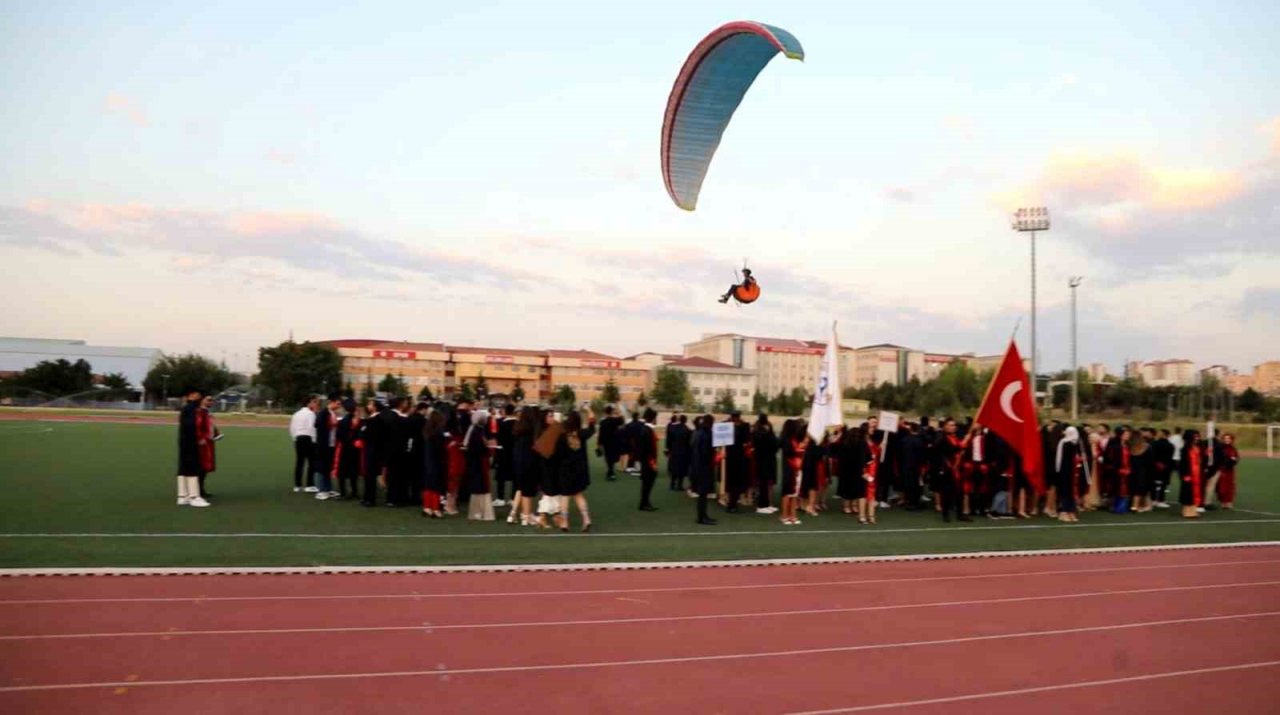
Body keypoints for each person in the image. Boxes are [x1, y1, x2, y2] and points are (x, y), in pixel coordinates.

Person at [555, 409, 597, 532]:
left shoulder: (562, 435)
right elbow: (592, 427)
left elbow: (557, 454)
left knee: (565, 496)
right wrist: (589, 411)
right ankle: (586, 518)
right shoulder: (582, 434)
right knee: (578, 494)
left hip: (565, 469)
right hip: (580, 469)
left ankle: (565, 522)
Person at [176, 388, 211, 507]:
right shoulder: (191, 409)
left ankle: (182, 496)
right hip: (191, 442)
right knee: (192, 467)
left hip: (184, 441)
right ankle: (194, 497)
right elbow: (191, 425)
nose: (199, 397)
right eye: (197, 394)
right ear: (191, 395)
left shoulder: (185, 408)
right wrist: (199, 438)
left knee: (183, 468)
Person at [463, 409, 494, 521]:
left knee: (478, 486)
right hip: (479, 463)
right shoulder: (478, 432)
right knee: (481, 486)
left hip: (476, 463)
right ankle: (481, 511)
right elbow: (480, 449)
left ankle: (477, 511)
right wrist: (488, 449)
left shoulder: (476, 431)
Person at [1054, 426, 1086, 523]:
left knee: (1072, 492)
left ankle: (1071, 511)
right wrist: (1079, 459)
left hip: (1073, 471)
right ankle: (1064, 511)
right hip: (1066, 471)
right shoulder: (1065, 443)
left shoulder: (1075, 444)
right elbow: (1066, 459)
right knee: (1066, 491)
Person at [333, 399, 363, 501]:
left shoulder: (344, 421)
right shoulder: (355, 421)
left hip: (347, 449)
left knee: (346, 472)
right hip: (351, 449)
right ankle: (351, 492)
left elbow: (339, 436)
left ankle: (345, 492)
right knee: (350, 472)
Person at [780, 420, 809, 525]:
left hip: (798, 469)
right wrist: (800, 447)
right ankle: (784, 515)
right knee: (787, 493)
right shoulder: (786, 440)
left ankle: (793, 515)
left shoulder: (797, 439)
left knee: (795, 493)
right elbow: (791, 453)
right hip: (789, 469)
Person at [690, 415, 717, 525]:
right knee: (703, 493)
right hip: (704, 467)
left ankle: (703, 515)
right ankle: (701, 517)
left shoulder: (698, 432)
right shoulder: (706, 434)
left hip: (697, 466)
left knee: (703, 493)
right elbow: (706, 452)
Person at [421, 408, 448, 518]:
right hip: (437, 462)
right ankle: (436, 508)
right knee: (436, 486)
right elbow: (441, 450)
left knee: (428, 485)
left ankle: (427, 507)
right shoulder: (439, 434)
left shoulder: (427, 432)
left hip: (428, 461)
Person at [288, 396, 318, 493]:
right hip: (308, 438)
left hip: (298, 439)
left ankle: (297, 485)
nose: (316, 404)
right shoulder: (311, 414)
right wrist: (314, 440)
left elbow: (292, 428)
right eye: (314, 402)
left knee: (299, 462)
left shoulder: (296, 414)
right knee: (312, 462)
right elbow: (311, 428)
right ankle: (310, 484)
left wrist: (294, 438)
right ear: (309, 403)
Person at [358, 399, 385, 507]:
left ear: (375, 407)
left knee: (370, 475)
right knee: (368, 475)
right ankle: (367, 497)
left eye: (370, 404)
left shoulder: (377, 420)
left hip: (374, 450)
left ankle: (370, 499)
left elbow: (368, 434)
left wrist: (363, 432)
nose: (367, 406)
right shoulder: (371, 419)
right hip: (369, 449)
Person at [751, 415, 779, 514]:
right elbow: (764, 443)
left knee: (766, 482)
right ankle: (761, 505)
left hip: (768, 459)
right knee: (763, 482)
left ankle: (766, 504)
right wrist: (767, 432)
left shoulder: (764, 431)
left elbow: (775, 443)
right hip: (762, 459)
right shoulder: (758, 432)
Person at [313, 396, 340, 500]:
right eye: (337, 403)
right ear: (331, 402)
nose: (339, 406)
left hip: (331, 445)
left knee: (328, 468)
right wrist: (331, 424)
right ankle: (321, 490)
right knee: (322, 468)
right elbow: (317, 424)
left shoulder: (332, 413)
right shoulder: (323, 413)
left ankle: (328, 489)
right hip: (323, 445)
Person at [723, 412, 749, 513]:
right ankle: (732, 503)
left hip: (733, 457)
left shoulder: (738, 426)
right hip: (736, 457)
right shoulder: (742, 426)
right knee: (735, 482)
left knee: (733, 481)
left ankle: (732, 502)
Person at [635, 408, 660, 511]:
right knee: (647, 483)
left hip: (646, 461)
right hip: (648, 461)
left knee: (647, 483)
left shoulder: (645, 429)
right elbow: (649, 449)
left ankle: (645, 502)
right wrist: (652, 463)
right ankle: (644, 504)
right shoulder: (647, 430)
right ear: (653, 418)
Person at [494, 404, 517, 506]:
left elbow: (498, 440)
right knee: (515, 477)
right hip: (515, 453)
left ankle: (500, 498)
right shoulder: (519, 424)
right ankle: (513, 498)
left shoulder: (501, 424)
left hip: (503, 452)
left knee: (501, 477)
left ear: (504, 411)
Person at [196, 394, 219, 499]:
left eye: (212, 400)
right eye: (208, 400)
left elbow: (210, 426)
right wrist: (201, 438)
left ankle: (200, 490)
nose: (211, 402)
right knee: (201, 467)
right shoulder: (200, 412)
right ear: (202, 400)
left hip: (208, 442)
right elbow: (197, 427)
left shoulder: (207, 412)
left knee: (205, 467)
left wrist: (216, 433)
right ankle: (197, 491)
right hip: (202, 444)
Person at [1179, 429, 1203, 519]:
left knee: (1196, 492)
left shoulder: (1197, 447)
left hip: (1197, 472)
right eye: (1195, 436)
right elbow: (1182, 464)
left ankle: (1193, 510)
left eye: (1197, 436)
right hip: (1189, 473)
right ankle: (1187, 511)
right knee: (1188, 493)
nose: (1197, 438)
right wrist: (1185, 474)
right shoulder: (1185, 450)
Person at [597, 406, 625, 481]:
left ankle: (610, 472)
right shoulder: (615, 420)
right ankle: (611, 472)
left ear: (605, 412)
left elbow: (601, 433)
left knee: (608, 457)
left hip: (606, 442)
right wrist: (618, 410)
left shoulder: (602, 422)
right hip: (615, 441)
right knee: (613, 457)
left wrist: (599, 443)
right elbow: (622, 419)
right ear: (611, 412)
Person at [666, 414, 692, 491]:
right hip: (684, 451)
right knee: (682, 469)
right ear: (685, 420)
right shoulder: (687, 430)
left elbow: (669, 440)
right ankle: (679, 485)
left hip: (674, 450)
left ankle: (672, 484)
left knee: (674, 468)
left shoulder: (673, 429)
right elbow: (689, 443)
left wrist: (668, 449)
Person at [1151, 429, 1175, 509]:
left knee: (1155, 484)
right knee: (1162, 484)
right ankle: (1160, 500)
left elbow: (1152, 455)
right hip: (1165, 466)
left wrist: (1156, 463)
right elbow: (1170, 457)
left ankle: (1154, 500)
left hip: (1156, 466)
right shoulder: (1170, 445)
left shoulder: (1154, 443)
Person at [1217, 433, 1239, 509]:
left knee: (1230, 486)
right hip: (1222, 470)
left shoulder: (1233, 449)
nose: (1227, 440)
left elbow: (1236, 458)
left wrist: (1233, 461)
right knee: (1221, 487)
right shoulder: (1220, 448)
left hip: (1230, 470)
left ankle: (1229, 501)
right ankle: (1223, 501)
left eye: (1229, 438)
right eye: (1225, 438)